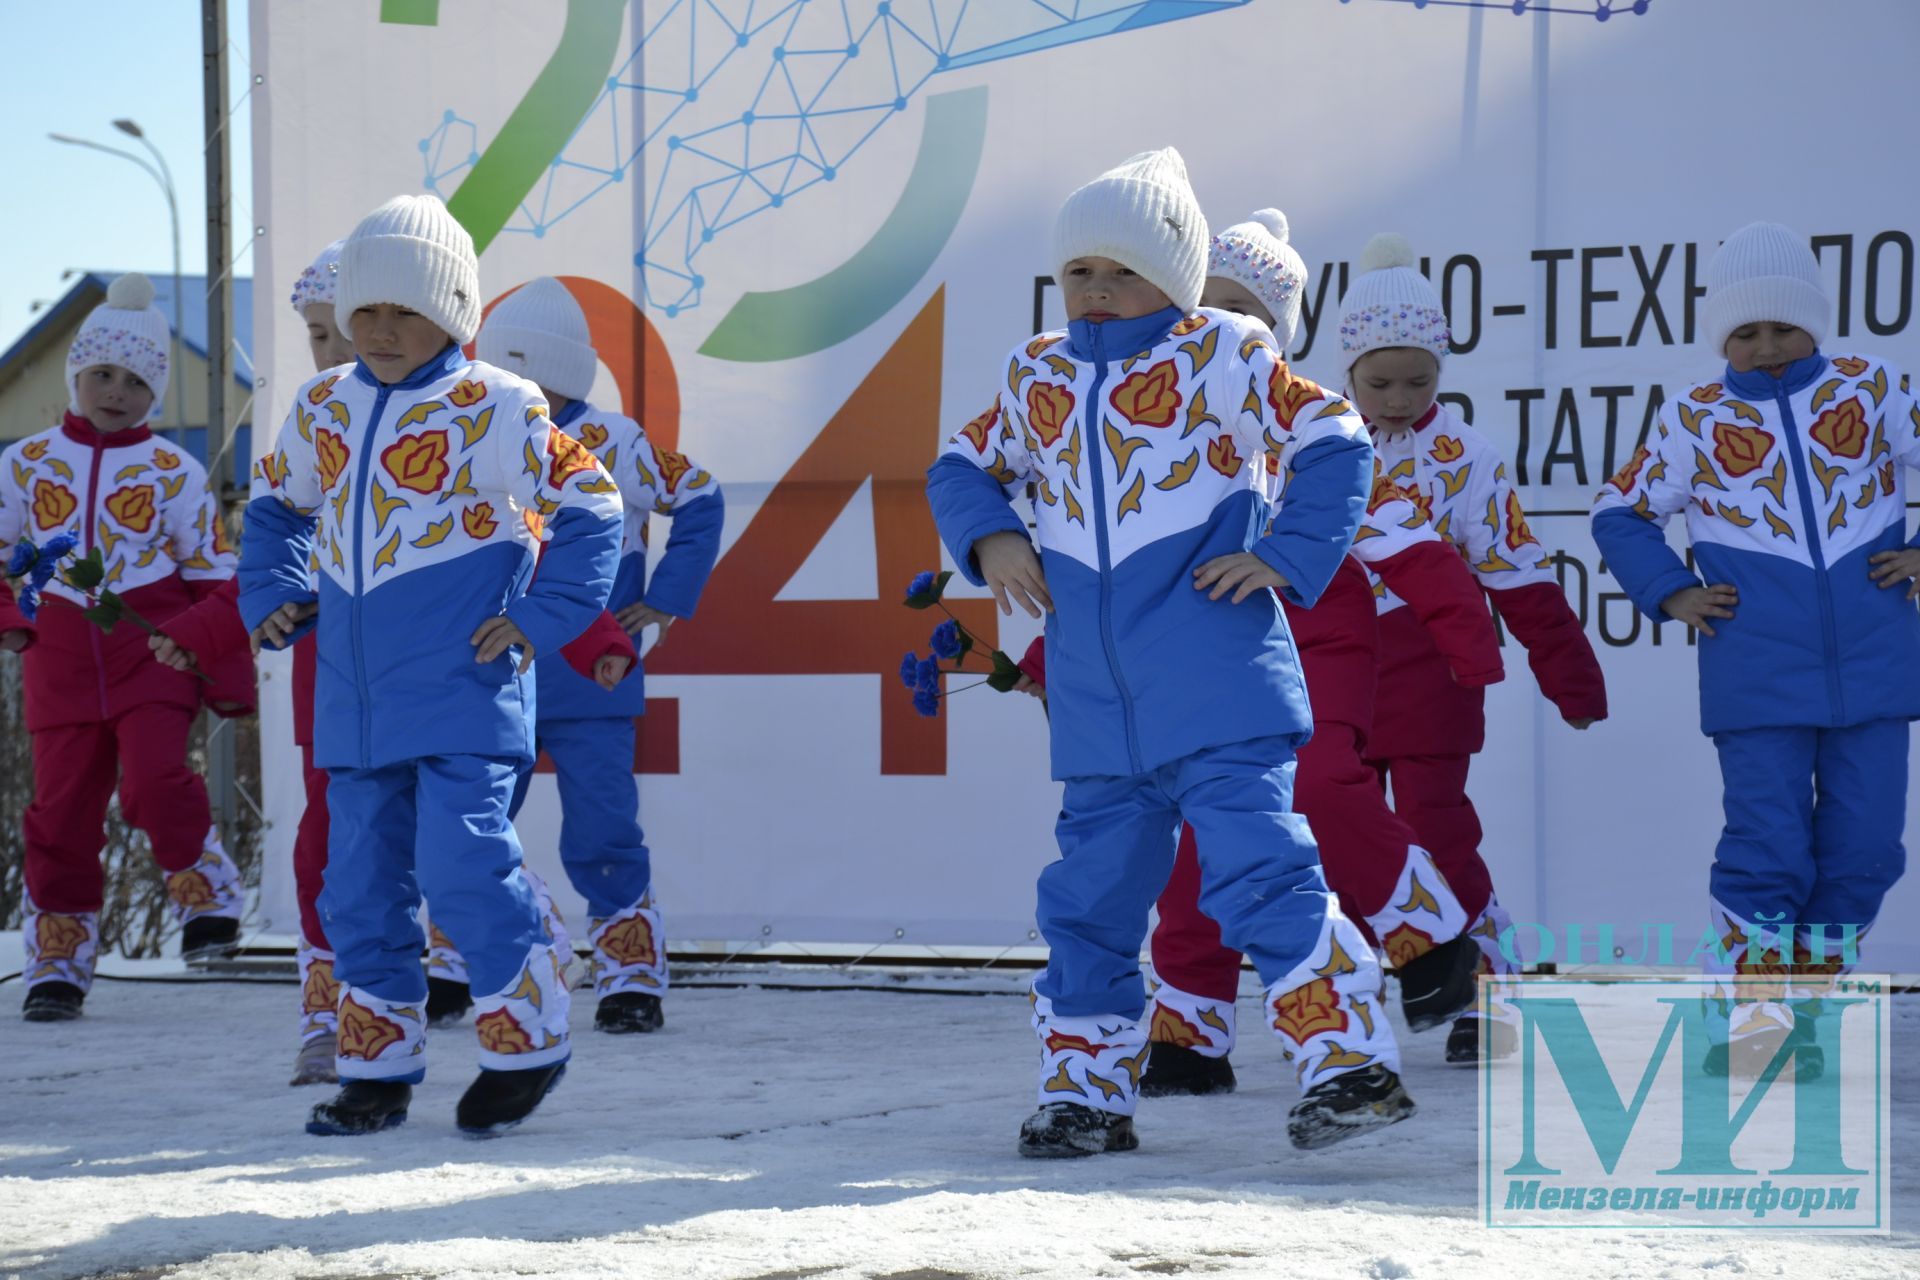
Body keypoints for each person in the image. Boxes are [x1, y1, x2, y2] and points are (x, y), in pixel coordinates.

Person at [927, 149, 1412, 1157]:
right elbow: (962, 462)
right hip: (1101, 714)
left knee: (1260, 873)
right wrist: (993, 534)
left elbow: (1333, 432)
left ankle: (1349, 1062)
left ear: (1178, 277)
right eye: (1080, 272)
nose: (1098, 291)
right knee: (1087, 902)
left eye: (1124, 270)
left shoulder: (1225, 351)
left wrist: (1286, 554)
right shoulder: (1037, 372)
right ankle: (1085, 1092)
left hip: (1220, 691)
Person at [239, 194, 623, 1137]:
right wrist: (274, 592)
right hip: (357, 703)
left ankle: (527, 1041)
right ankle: (377, 1068)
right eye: (364, 311)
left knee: (461, 870)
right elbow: (276, 509)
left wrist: (542, 616)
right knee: (357, 884)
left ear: (452, 310)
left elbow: (593, 502)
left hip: (464, 690)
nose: (378, 330)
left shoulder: (495, 402)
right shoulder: (322, 404)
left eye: (403, 310)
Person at [1591, 221, 1918, 1078]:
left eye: (1783, 327)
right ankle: (1750, 1017)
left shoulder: (1875, 388)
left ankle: (1803, 1002)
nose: (1767, 346)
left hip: (1879, 671)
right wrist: (1672, 590)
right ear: (1721, 338)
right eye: (1746, 332)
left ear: (1817, 323)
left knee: (1868, 851)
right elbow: (1618, 513)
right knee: (1770, 845)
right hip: (1755, 673)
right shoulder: (1693, 415)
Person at [1334, 233, 1607, 1064]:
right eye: (1379, 381)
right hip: (1332, 678)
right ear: (1347, 370)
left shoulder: (1467, 457)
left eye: (1420, 380)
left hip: (1432, 679)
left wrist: (1570, 674)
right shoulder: (1315, 444)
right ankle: (1345, 1007)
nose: (1398, 398)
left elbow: (1516, 572)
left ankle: (1489, 993)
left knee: (1437, 831)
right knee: (1336, 840)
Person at [470, 277, 724, 1035]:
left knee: (604, 826)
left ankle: (629, 975)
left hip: (593, 670)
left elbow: (702, 495)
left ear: (567, 370)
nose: (521, 383)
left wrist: (668, 597)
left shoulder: (616, 439)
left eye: (534, 368)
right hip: (488, 669)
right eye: (507, 367)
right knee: (473, 823)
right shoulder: (469, 428)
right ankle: (465, 967)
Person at [1, 272, 252, 1022]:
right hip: (61, 654)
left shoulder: (173, 470)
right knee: (62, 811)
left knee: (153, 781)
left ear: (157, 392)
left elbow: (213, 573)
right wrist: (13, 618)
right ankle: (57, 961)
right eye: (102, 375)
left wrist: (222, 671)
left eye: (137, 381)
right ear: (77, 374)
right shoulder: (23, 462)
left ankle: (206, 903)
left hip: (150, 647)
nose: (116, 392)